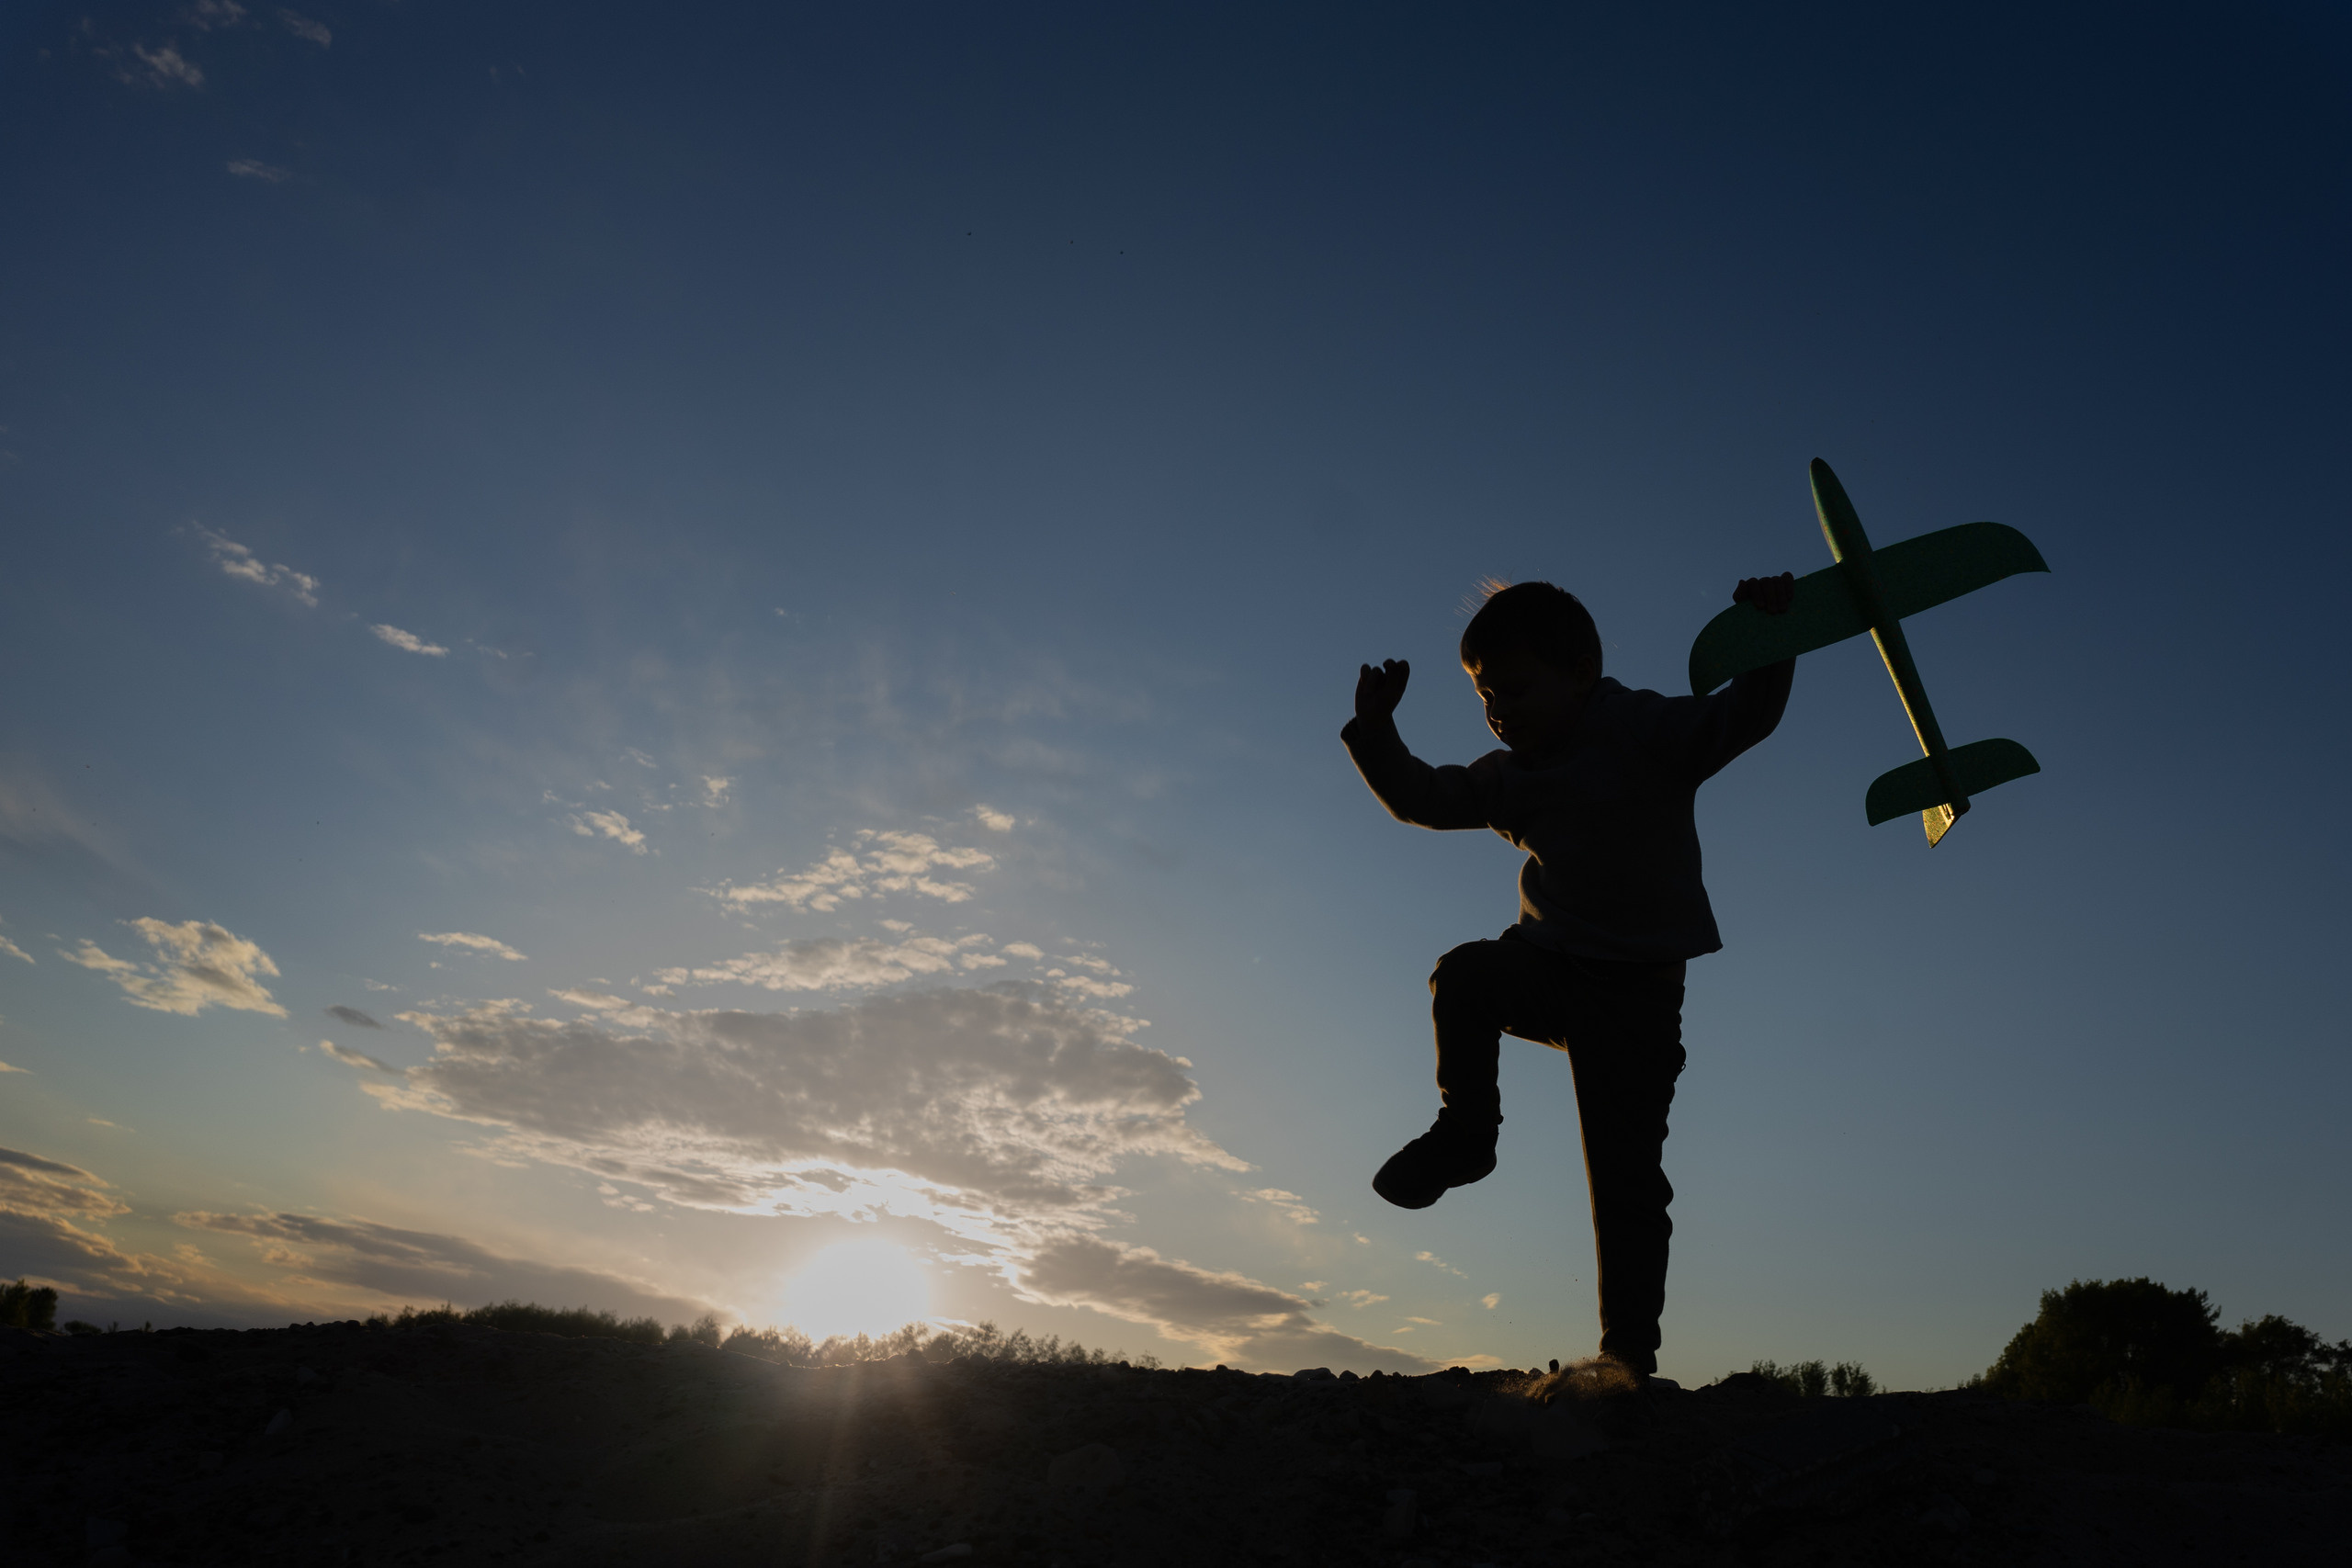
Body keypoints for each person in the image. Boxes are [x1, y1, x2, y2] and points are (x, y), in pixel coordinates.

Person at [1342, 572, 1795, 1382]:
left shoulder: (1643, 728)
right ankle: (1467, 1132)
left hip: (1636, 1003)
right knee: (1466, 974)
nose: (1497, 710)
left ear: (1580, 672)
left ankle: (1626, 1356)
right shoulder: (1508, 774)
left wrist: (1768, 639)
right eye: (1484, 695)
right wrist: (1376, 733)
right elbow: (1428, 797)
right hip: (1548, 968)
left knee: (1625, 1184)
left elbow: (1741, 716)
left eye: (1513, 688)